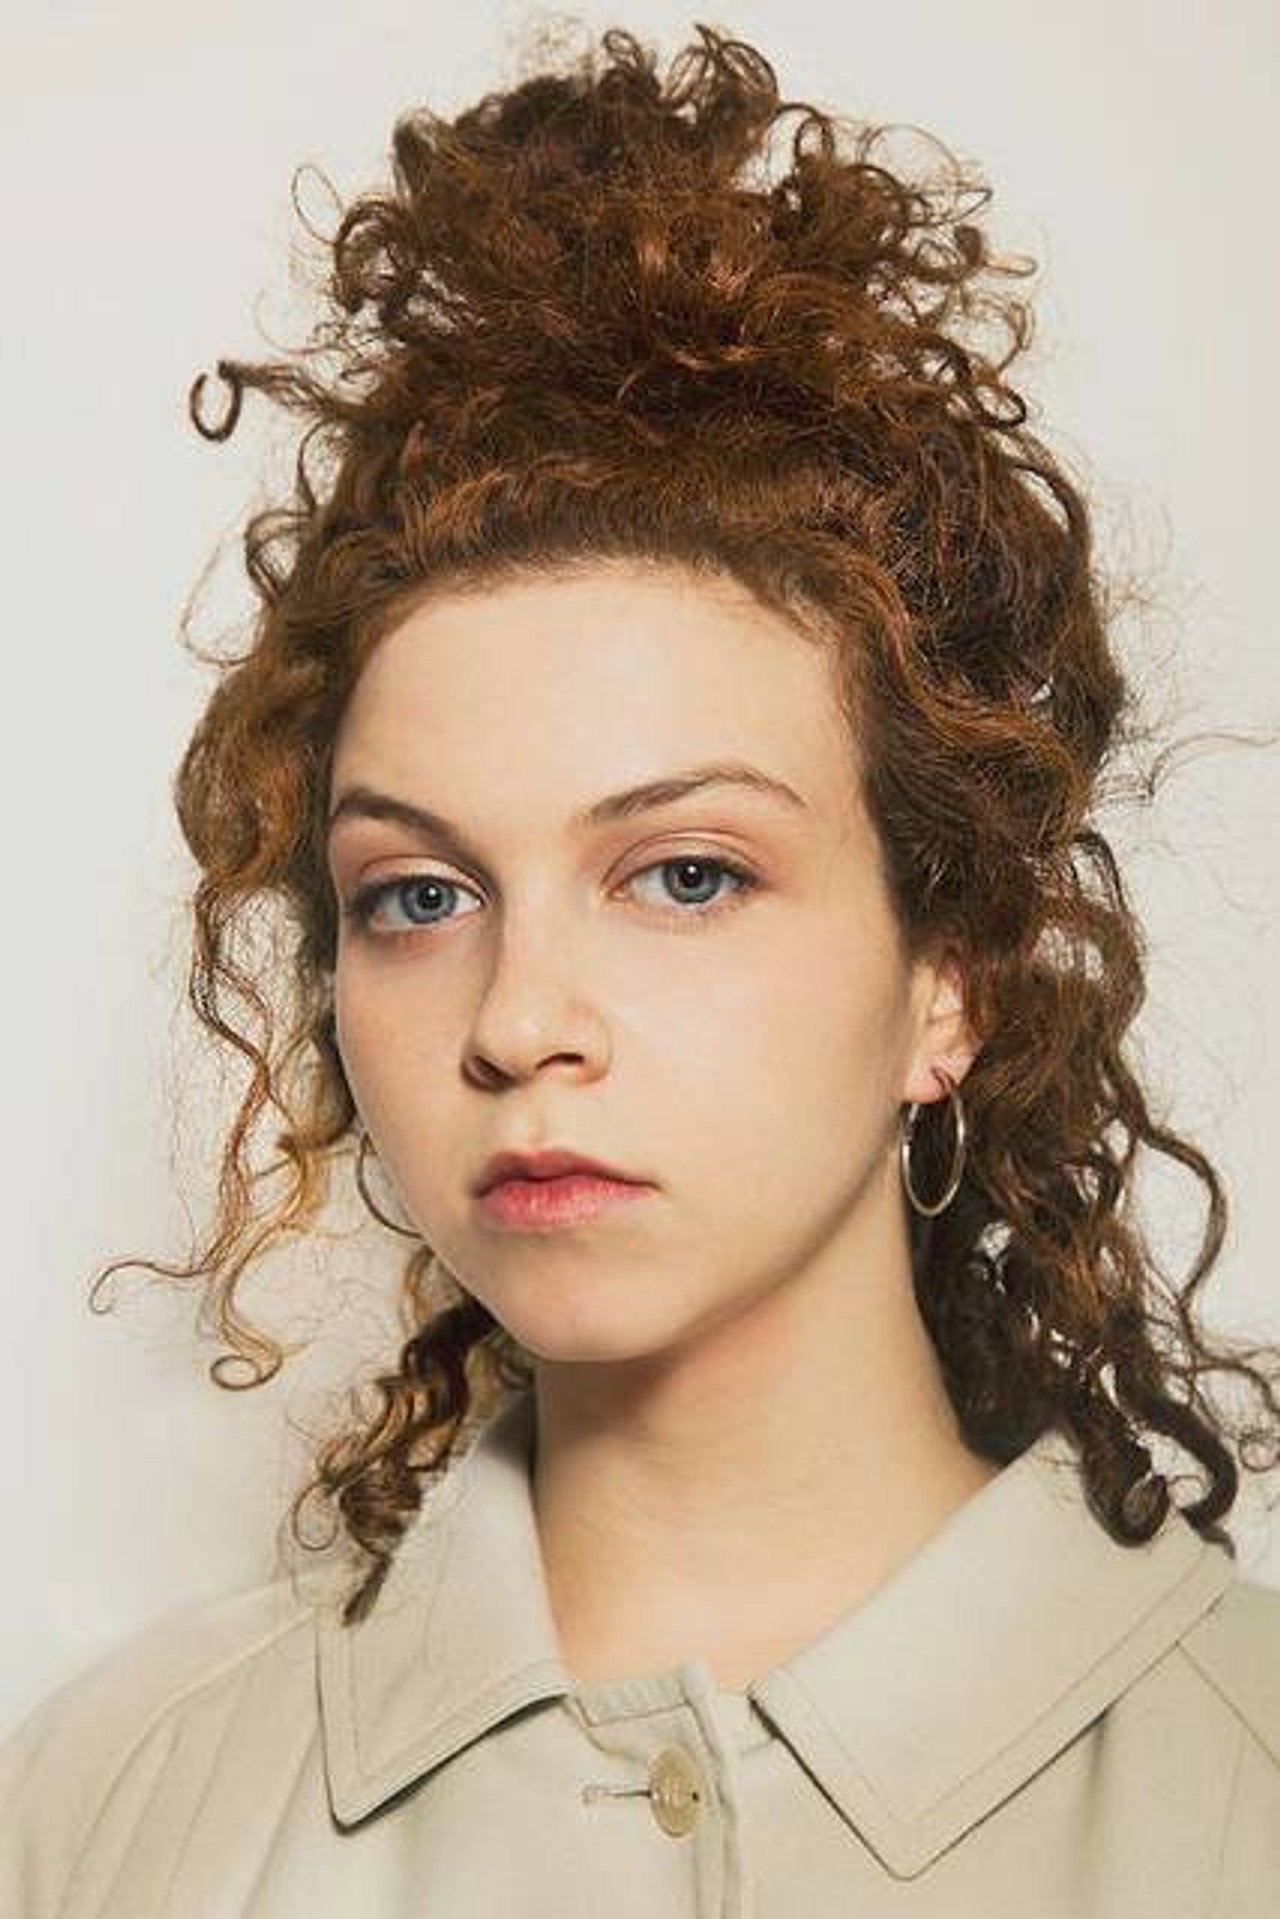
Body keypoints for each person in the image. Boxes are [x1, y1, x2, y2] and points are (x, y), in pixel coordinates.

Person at [3, 20, 1278, 1916]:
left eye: (685, 875)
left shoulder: (1241, 1783)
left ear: (951, 981)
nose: (520, 1022)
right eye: (419, 898)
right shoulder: (104, 1810)